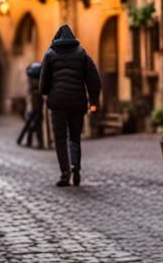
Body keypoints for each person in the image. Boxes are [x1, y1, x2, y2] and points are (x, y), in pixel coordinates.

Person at [39, 24, 101, 186]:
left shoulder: (50, 54)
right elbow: (94, 80)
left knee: (60, 138)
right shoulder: (82, 54)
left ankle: (64, 173)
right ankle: (76, 167)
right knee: (75, 136)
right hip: (77, 102)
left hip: (57, 103)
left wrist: (48, 92)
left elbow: (43, 83)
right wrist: (93, 102)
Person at [16, 61, 44, 148]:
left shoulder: (34, 85)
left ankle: (25, 141)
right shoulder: (36, 86)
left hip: (36, 106)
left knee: (31, 125)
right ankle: (36, 142)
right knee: (33, 125)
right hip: (36, 107)